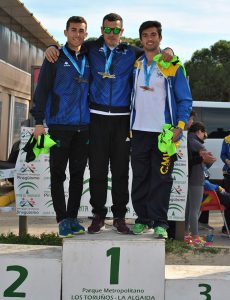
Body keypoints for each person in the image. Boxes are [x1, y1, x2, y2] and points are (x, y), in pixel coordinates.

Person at [45, 13, 175, 234]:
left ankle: (119, 216)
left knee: (121, 171)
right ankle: (98, 215)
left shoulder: (131, 52)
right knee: (97, 170)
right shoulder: (91, 48)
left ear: (122, 32)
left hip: (122, 120)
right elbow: (70, 45)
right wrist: (51, 46)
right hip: (95, 118)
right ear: (102, 29)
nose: (111, 34)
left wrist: (167, 51)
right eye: (108, 29)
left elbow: (152, 48)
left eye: (116, 30)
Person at [129, 20, 192, 239]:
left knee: (162, 178)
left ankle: (160, 223)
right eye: (145, 35)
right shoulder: (135, 64)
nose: (150, 39)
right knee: (140, 178)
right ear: (141, 39)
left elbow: (185, 99)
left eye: (153, 35)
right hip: (138, 131)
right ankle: (142, 219)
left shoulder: (172, 64)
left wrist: (180, 126)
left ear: (160, 38)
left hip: (164, 134)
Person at [30, 16, 90, 238]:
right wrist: (38, 121)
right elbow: (42, 90)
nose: (77, 34)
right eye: (73, 30)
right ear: (65, 32)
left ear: (86, 33)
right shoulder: (54, 57)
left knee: (77, 175)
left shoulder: (89, 56)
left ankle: (73, 218)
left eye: (81, 31)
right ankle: (62, 218)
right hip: (59, 126)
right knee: (57, 175)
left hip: (83, 127)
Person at [184, 122, 216, 245]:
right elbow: (209, 159)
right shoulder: (196, 144)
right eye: (204, 133)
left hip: (189, 178)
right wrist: (209, 160)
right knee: (195, 209)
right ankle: (195, 236)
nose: (204, 136)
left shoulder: (187, 141)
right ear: (199, 131)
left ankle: (186, 233)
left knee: (188, 208)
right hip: (196, 179)